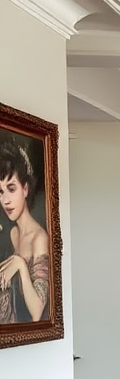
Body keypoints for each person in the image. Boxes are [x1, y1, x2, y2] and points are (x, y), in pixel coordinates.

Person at [0, 138, 50, 323]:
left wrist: (21, 265)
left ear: (25, 188)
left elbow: (37, 312)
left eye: (11, 188)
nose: (5, 200)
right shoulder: (9, 234)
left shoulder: (39, 238)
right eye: (0, 191)